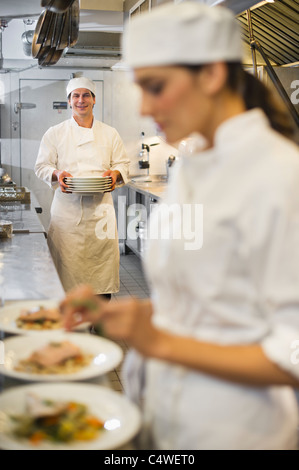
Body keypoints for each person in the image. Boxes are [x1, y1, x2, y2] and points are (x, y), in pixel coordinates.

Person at [60, 3, 299, 450]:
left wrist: (161, 343)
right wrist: (138, 314)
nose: (146, 108)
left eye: (156, 87)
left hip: (235, 430)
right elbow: (217, 303)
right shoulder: (193, 167)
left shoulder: (279, 175)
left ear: (210, 74)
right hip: (163, 416)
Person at [35, 77, 130, 299]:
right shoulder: (55, 133)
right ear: (69, 101)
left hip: (101, 213)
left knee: (102, 277)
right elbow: (41, 166)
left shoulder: (110, 133)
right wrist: (57, 174)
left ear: (94, 99)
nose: (81, 100)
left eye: (86, 95)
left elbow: (122, 164)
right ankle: (75, 328)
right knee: (68, 276)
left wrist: (115, 174)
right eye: (75, 96)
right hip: (67, 216)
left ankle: (100, 328)